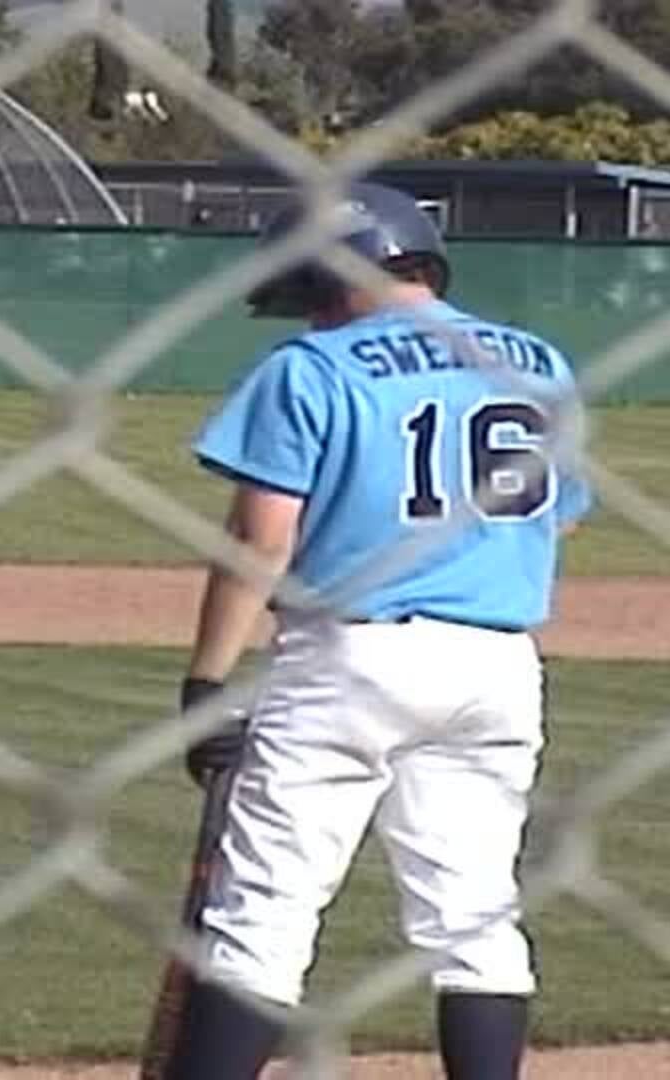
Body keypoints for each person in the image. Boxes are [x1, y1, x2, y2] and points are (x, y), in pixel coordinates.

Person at [163, 182, 591, 1080]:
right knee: (474, 915)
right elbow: (555, 517)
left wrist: (207, 683)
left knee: (263, 917)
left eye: (313, 291)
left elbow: (260, 541)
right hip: (498, 665)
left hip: (349, 657)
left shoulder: (310, 368)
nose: (312, 314)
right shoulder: (538, 364)